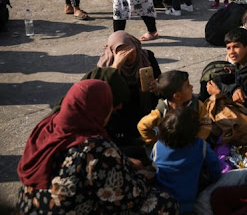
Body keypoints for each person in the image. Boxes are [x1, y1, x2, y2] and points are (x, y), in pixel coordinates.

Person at [17, 80, 178, 214]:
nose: (113, 108)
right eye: (108, 104)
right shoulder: (95, 147)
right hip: (72, 208)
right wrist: (143, 177)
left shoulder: (48, 126)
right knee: (165, 202)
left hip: (32, 206)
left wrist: (124, 162)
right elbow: (125, 198)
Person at [97, 31, 162, 145]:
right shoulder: (105, 65)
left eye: (131, 50)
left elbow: (160, 78)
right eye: (122, 52)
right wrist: (116, 66)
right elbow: (103, 92)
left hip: (145, 105)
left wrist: (158, 84)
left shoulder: (146, 57)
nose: (129, 55)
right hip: (122, 111)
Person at [153, 107, 221, 213]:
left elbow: (154, 166)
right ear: (194, 131)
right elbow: (215, 167)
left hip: (162, 202)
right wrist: (213, 180)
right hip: (188, 204)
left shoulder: (157, 146)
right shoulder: (200, 146)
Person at [138, 70, 211, 146]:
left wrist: (197, 141)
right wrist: (154, 141)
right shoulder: (161, 112)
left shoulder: (197, 105)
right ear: (177, 96)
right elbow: (142, 126)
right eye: (188, 85)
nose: (192, 87)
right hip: (169, 147)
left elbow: (206, 124)